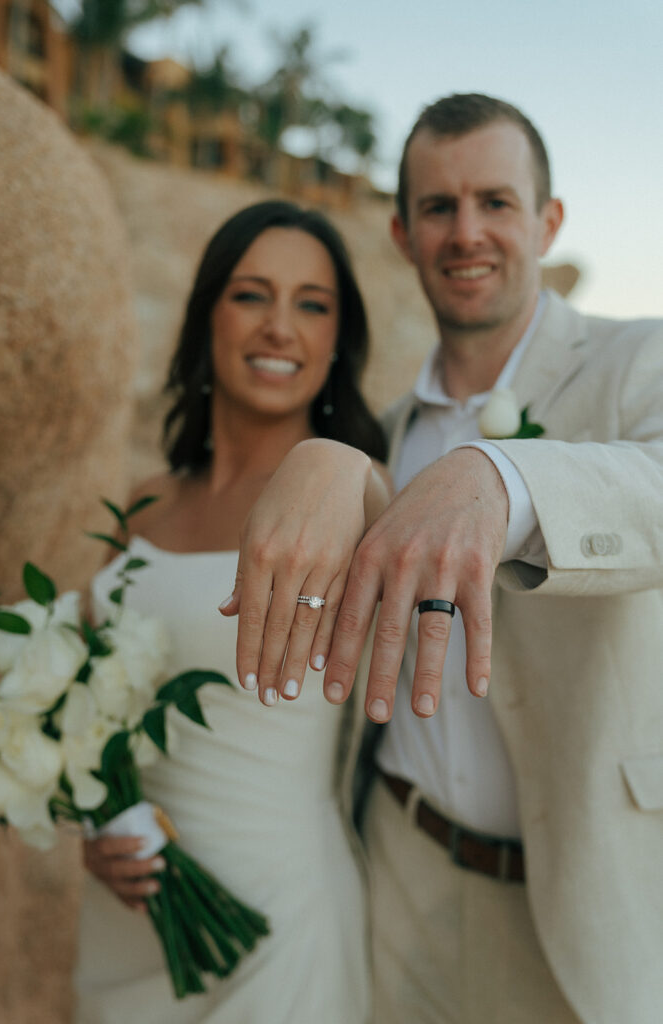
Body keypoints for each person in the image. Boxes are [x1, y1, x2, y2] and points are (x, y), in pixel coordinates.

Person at [230, 95, 663, 1023]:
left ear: (546, 222)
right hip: (398, 883)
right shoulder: (383, 434)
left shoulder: (636, 361)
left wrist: (503, 477)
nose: (467, 232)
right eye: (437, 207)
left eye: (496, 202)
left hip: (586, 903)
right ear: (401, 231)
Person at [75, 200, 391, 1024]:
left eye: (312, 304)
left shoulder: (351, 497)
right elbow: (84, 705)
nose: (280, 326)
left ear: (337, 340)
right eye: (252, 294)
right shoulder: (142, 503)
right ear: (207, 313)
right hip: (135, 916)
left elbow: (386, 508)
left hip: (277, 924)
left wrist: (338, 460)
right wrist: (94, 824)